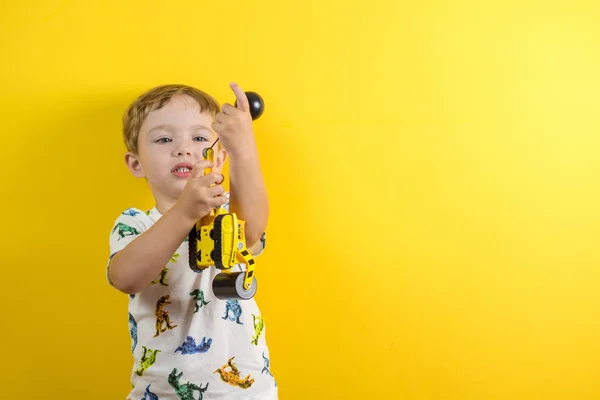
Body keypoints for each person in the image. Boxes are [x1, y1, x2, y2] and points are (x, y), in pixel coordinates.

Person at [106, 82, 277, 399]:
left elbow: (250, 231)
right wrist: (185, 211)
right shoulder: (135, 224)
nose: (183, 148)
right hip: (160, 393)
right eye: (164, 139)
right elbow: (125, 277)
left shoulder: (228, 214)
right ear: (136, 164)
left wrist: (244, 149)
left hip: (245, 393)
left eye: (199, 138)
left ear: (219, 156)